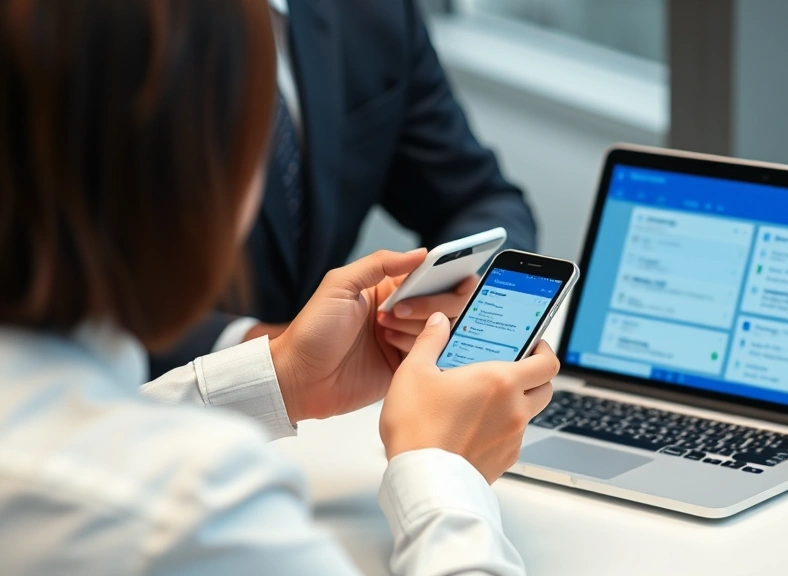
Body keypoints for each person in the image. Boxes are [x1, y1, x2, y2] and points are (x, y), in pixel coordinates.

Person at [0, 1, 556, 574]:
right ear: (197, 168)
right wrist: (441, 469)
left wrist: (278, 375)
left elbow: (83, 438)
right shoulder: (194, 505)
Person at [149, 0, 537, 377]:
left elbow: (482, 199)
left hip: (339, 396)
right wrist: (271, 354)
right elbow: (95, 288)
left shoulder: (373, 11)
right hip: (146, 400)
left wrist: (453, 296)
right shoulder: (116, 23)